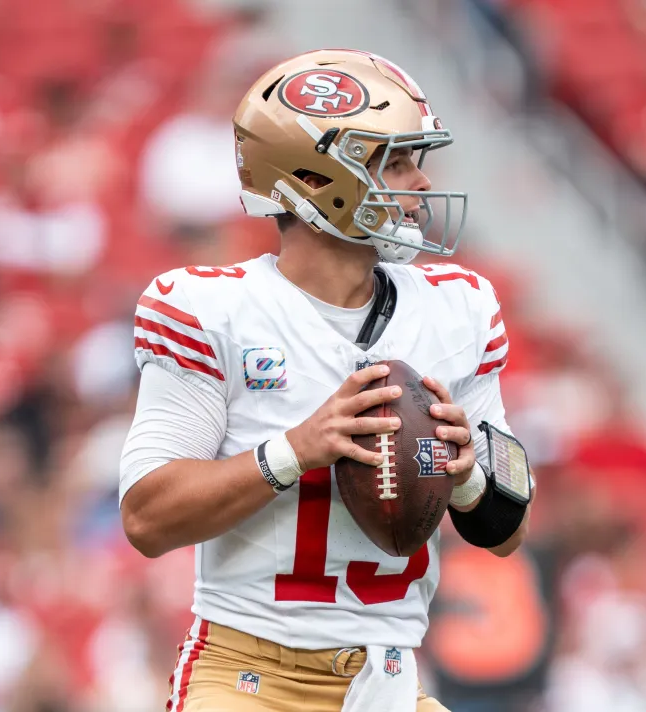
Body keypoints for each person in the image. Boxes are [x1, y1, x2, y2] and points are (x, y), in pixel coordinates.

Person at [119, 49, 535, 712]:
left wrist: (467, 478)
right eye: (395, 162)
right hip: (249, 676)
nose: (419, 185)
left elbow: (507, 533)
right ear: (316, 178)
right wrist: (294, 450)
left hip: (389, 682)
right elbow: (146, 518)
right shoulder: (209, 309)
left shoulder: (459, 309)